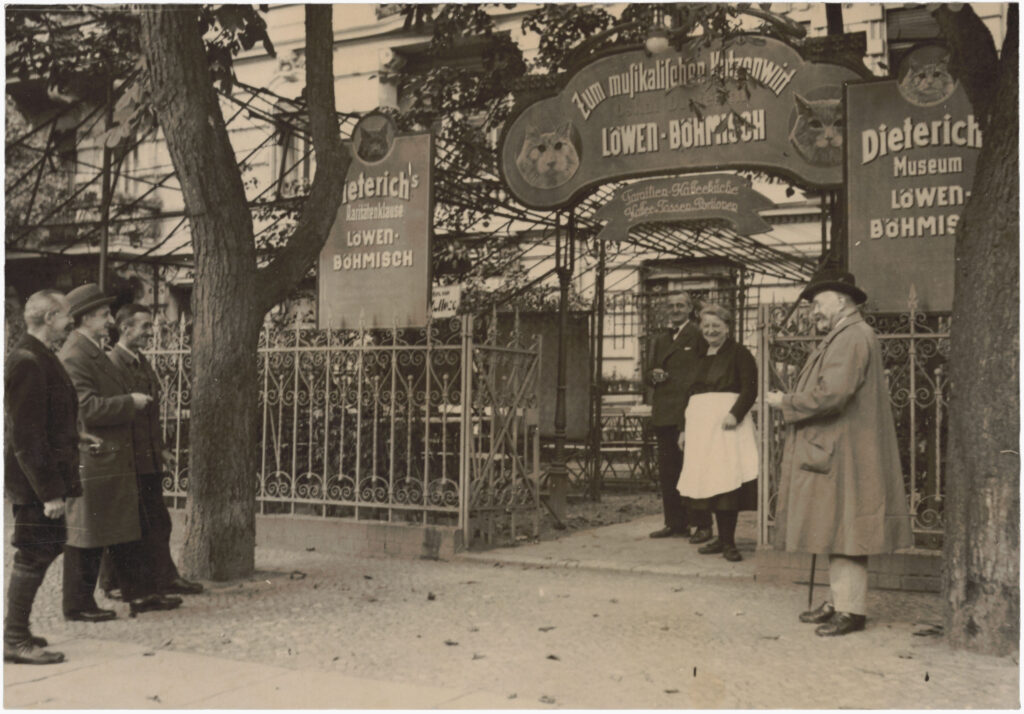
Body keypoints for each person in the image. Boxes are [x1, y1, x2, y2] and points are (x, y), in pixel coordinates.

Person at [766, 268, 913, 637]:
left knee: (846, 528)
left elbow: (832, 394)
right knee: (837, 527)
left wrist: (786, 400)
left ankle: (851, 610)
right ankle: (839, 601)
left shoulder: (850, 337)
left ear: (841, 300)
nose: (814, 310)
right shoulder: (846, 335)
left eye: (818, 302)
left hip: (845, 448)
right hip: (841, 446)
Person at [58, 283, 183, 619]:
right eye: (103, 315)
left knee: (122, 529)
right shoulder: (75, 354)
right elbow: (85, 409)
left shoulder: (90, 349)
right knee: (88, 535)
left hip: (111, 458)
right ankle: (78, 604)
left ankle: (140, 595)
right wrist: (128, 403)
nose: (109, 320)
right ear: (85, 318)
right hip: (97, 457)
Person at [99, 304, 203, 598]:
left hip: (148, 458)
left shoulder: (140, 361)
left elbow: (151, 415)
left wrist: (162, 451)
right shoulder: (112, 364)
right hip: (127, 459)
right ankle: (115, 581)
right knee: (130, 521)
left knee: (156, 520)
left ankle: (161, 576)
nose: (150, 332)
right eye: (144, 326)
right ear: (125, 328)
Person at [4, 290, 81, 664]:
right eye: (67, 316)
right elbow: (25, 435)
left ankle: (16, 630)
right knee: (35, 551)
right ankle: (14, 637)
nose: (71, 323)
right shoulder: (26, 360)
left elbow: (45, 418)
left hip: (43, 476)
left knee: (45, 546)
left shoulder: (38, 356)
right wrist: (50, 492)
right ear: (50, 317)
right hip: (36, 481)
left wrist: (76, 435)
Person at [676, 304, 758, 562]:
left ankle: (729, 542)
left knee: (726, 480)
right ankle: (718, 538)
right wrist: (683, 429)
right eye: (707, 326)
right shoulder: (697, 355)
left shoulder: (740, 353)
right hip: (700, 426)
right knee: (707, 479)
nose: (711, 330)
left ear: (727, 328)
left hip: (727, 423)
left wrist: (735, 413)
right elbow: (688, 394)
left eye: (716, 326)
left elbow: (750, 389)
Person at [646, 291, 713, 542]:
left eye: (680, 306)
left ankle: (702, 524)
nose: (675, 310)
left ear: (689, 309)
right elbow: (647, 372)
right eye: (671, 306)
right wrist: (653, 375)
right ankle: (674, 523)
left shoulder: (698, 334)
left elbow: (707, 367)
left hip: (689, 411)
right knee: (668, 471)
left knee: (694, 469)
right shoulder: (660, 338)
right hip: (664, 412)